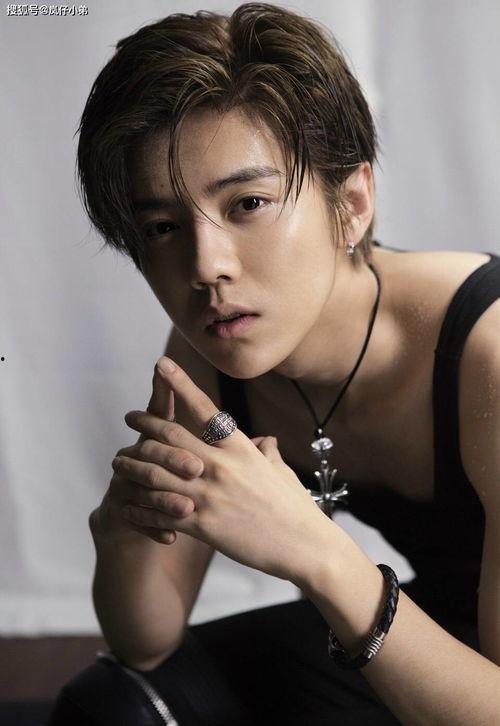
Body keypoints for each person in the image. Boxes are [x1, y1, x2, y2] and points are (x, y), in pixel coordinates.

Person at [49, 3, 500, 724]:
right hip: (445, 633)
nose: (206, 266)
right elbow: (144, 641)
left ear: (352, 202)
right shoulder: (213, 351)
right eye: (162, 226)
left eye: (248, 203)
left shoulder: (488, 352)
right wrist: (125, 530)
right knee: (118, 705)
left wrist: (319, 555)